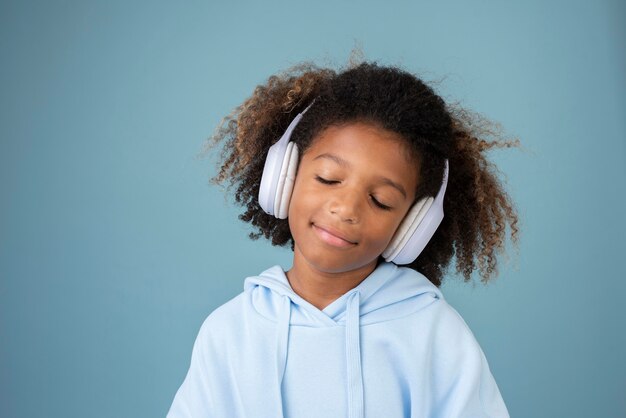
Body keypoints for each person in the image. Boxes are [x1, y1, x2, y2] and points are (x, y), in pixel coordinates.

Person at [167, 56, 520, 418]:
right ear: (283, 174)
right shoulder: (229, 333)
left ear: (413, 226)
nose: (346, 209)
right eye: (328, 179)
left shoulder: (436, 337)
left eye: (380, 201)